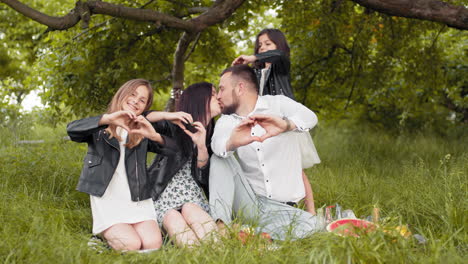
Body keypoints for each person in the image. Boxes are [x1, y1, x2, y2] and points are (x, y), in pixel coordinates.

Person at [209, 65, 321, 240]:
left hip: (285, 209)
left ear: (240, 88)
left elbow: (310, 117)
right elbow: (217, 145)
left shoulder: (278, 104)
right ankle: (221, 227)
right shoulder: (227, 121)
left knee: (315, 226)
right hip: (251, 202)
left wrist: (286, 125)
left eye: (222, 89)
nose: (218, 96)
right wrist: (231, 143)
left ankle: (246, 231)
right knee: (220, 158)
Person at [67, 79, 177, 251]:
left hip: (138, 196)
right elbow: (72, 130)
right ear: (122, 94)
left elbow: (175, 152)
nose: (135, 101)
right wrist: (107, 119)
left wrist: (155, 136)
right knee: (132, 244)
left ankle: (111, 244)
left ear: (145, 107)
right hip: (108, 198)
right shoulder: (100, 127)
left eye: (142, 100)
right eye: (132, 94)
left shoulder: (141, 130)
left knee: (153, 244)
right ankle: (101, 239)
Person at [232, 28, 320, 215]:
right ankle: (272, 203)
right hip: (265, 125)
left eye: (268, 44)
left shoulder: (280, 64)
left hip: (285, 121)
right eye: (260, 45)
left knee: (297, 169)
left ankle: (311, 212)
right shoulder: (255, 73)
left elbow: (279, 55)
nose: (262, 48)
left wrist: (252, 57)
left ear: (278, 45)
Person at [145, 82, 222, 247]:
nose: (219, 98)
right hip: (162, 196)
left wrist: (201, 147)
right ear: (200, 99)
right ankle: (195, 255)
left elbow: (204, 179)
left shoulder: (214, 135)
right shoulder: (174, 126)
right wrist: (167, 115)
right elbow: (140, 118)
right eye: (214, 94)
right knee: (172, 217)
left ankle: (219, 254)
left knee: (190, 210)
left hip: (192, 198)